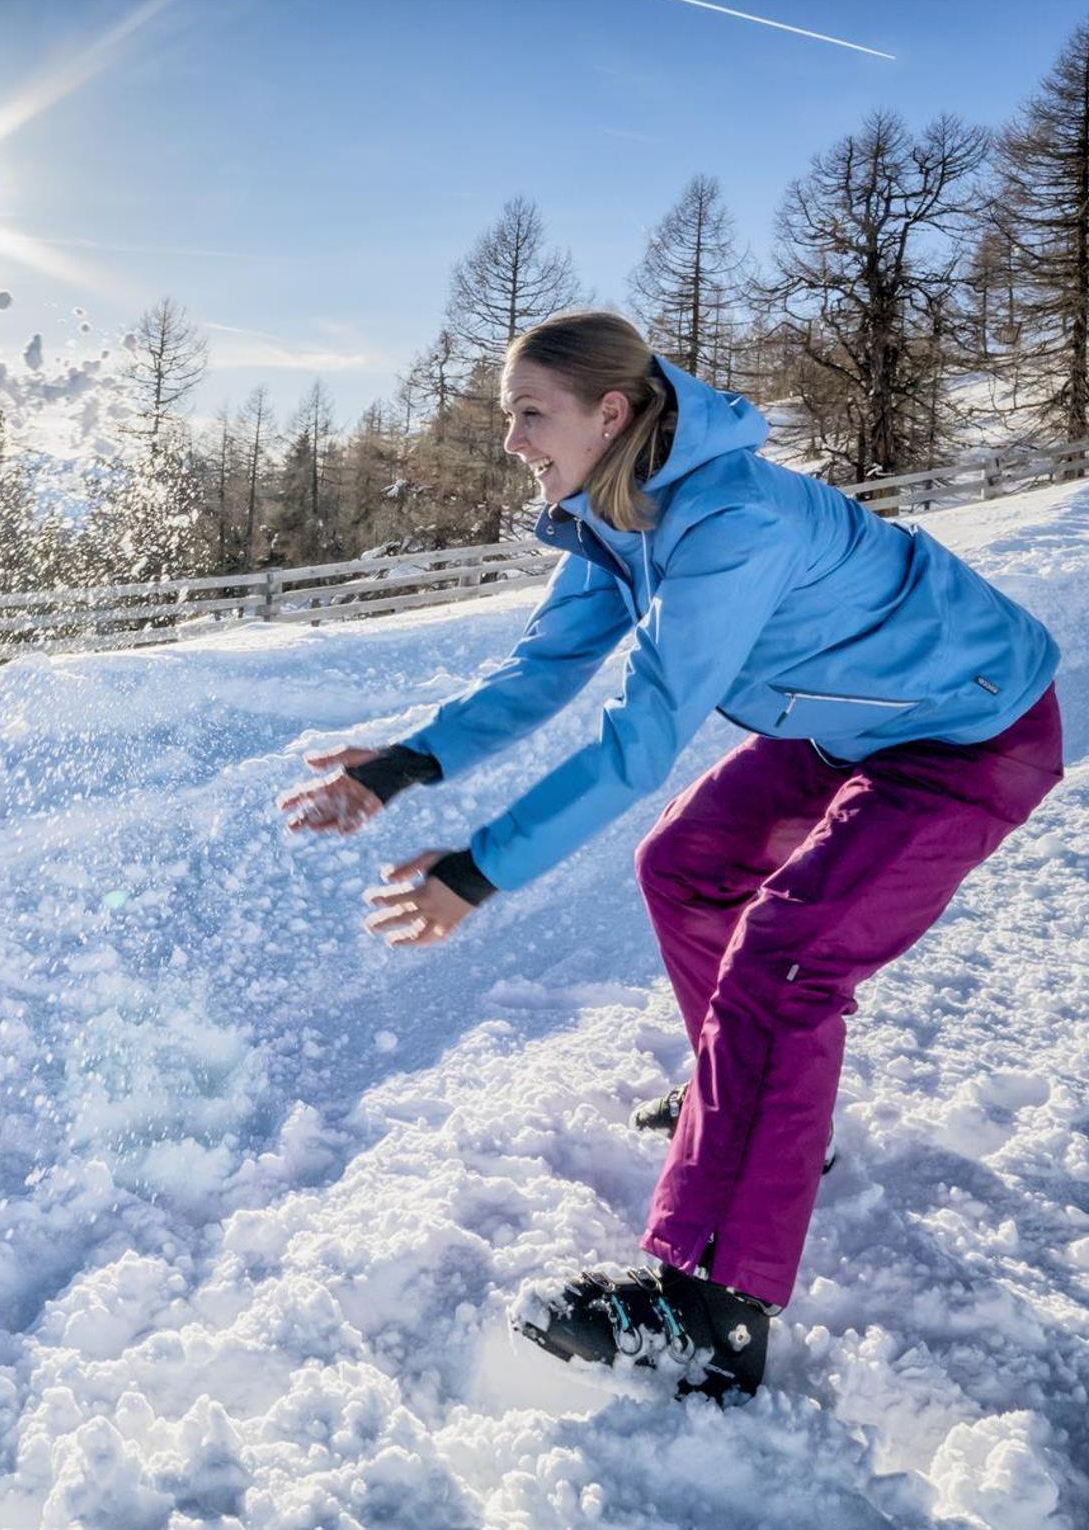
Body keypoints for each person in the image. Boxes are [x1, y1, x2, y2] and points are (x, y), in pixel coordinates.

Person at [280, 310, 1062, 1402]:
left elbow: (639, 740)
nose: (511, 440)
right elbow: (543, 670)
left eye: (529, 414)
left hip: (968, 731)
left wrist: (476, 870)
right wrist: (404, 765)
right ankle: (758, 1116)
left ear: (609, 413)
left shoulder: (732, 521)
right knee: (684, 866)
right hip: (852, 721)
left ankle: (710, 1308)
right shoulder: (620, 511)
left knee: (783, 960)